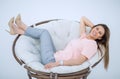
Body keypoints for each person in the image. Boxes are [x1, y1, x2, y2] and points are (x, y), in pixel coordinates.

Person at [7, 15, 110, 69]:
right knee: (44, 34)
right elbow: (83, 18)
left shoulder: (92, 45)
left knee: (44, 33)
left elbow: (79, 61)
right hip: (55, 54)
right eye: (97, 29)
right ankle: (17, 30)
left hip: (51, 60)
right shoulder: (85, 37)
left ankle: (22, 25)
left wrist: (57, 64)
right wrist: (94, 28)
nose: (96, 32)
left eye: (100, 33)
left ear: (100, 38)